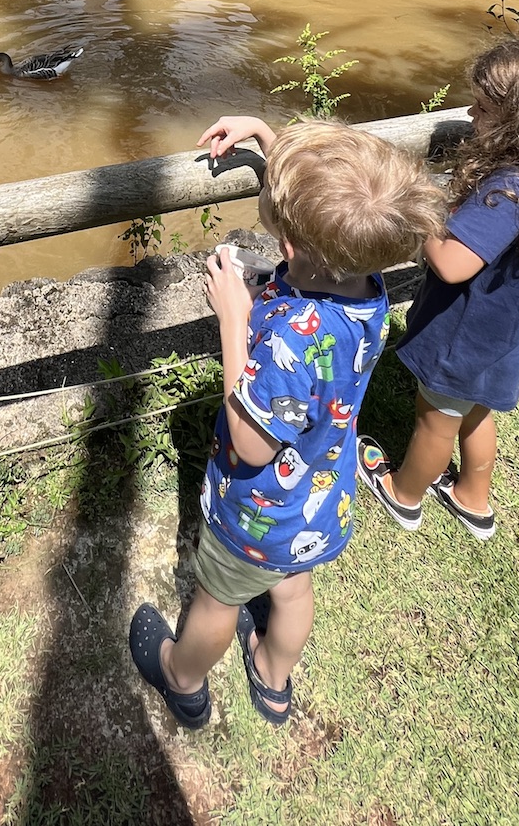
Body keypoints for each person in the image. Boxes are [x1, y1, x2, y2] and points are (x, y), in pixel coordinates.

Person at [129, 118, 447, 728]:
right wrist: (266, 138)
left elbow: (249, 444)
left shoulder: (294, 341)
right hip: (319, 498)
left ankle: (182, 678)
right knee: (293, 590)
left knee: (219, 599)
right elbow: (334, 211)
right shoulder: (366, 282)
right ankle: (274, 680)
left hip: (260, 511)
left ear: (291, 245)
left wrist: (233, 316)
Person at [356, 34, 519, 541]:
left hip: (465, 334)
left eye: (483, 105)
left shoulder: (511, 187)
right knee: (474, 411)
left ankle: (405, 494)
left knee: (435, 418)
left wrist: (419, 207)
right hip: (509, 330)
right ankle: (472, 499)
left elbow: (453, 264)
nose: (470, 112)